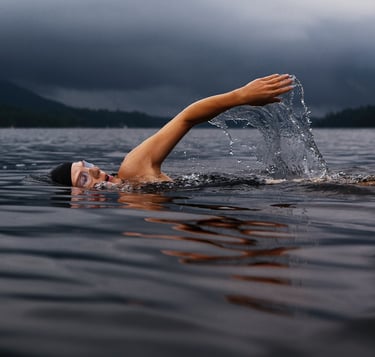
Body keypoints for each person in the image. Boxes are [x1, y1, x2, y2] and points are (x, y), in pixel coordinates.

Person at [50, 73, 294, 188]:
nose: (94, 171)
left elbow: (186, 118)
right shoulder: (130, 204)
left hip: (278, 188)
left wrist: (240, 96)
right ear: (77, 200)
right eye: (83, 178)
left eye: (87, 165)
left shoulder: (133, 170)